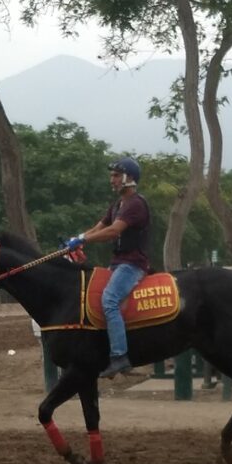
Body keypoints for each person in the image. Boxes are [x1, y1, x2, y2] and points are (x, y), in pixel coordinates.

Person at [64, 156, 151, 378]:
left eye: (116, 176)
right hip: (118, 264)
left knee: (109, 300)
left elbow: (113, 231)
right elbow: (99, 227)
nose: (112, 180)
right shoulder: (118, 205)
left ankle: (120, 357)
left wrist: (83, 240)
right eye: (111, 176)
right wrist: (77, 238)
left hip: (132, 265)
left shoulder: (135, 204)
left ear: (129, 178)